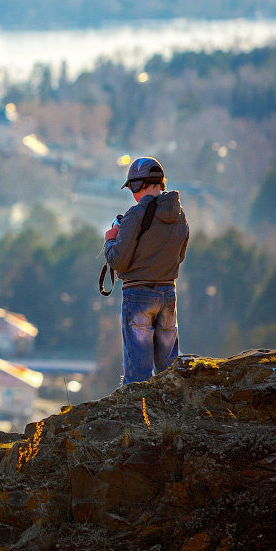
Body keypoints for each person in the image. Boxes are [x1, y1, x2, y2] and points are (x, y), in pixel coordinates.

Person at [103, 156, 189, 385]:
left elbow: (118, 261)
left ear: (138, 185)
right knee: (169, 370)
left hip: (138, 296)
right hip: (168, 293)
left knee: (138, 374)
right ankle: (171, 413)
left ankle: (137, 419)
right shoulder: (179, 216)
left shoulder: (135, 214)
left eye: (132, 186)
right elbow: (179, 257)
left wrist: (110, 240)